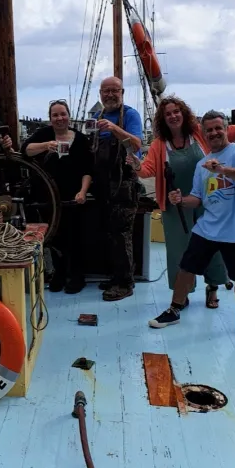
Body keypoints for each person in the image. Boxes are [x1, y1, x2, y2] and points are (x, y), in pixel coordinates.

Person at [128, 96, 235, 308]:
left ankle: (213, 287)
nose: (173, 116)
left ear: (184, 114)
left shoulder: (200, 133)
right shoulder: (158, 145)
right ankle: (183, 293)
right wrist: (136, 166)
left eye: (176, 112)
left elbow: (234, 130)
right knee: (179, 251)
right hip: (177, 203)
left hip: (208, 201)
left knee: (214, 248)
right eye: (167, 114)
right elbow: (147, 170)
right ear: (162, 119)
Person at [147, 110, 235, 341]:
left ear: (226, 129)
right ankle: (175, 309)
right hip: (208, 228)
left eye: (218, 128)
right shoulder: (201, 165)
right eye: (209, 130)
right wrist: (180, 199)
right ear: (204, 133)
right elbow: (197, 199)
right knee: (186, 268)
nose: (214, 133)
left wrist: (223, 170)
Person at [21, 99, 93, 293]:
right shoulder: (44, 135)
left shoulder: (80, 139)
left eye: (63, 114)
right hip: (48, 198)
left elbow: (87, 169)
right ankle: (59, 274)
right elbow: (25, 151)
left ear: (68, 116)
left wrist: (83, 191)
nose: (60, 118)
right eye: (55, 115)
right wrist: (47, 145)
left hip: (73, 197)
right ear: (50, 118)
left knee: (75, 237)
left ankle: (77, 276)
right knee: (53, 237)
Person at [89, 76, 143, 301]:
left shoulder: (130, 115)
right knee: (109, 234)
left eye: (114, 91)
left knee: (122, 235)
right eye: (105, 91)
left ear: (122, 93)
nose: (110, 95)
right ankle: (116, 276)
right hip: (103, 184)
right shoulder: (97, 116)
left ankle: (125, 282)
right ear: (100, 94)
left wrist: (113, 129)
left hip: (124, 183)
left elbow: (137, 144)